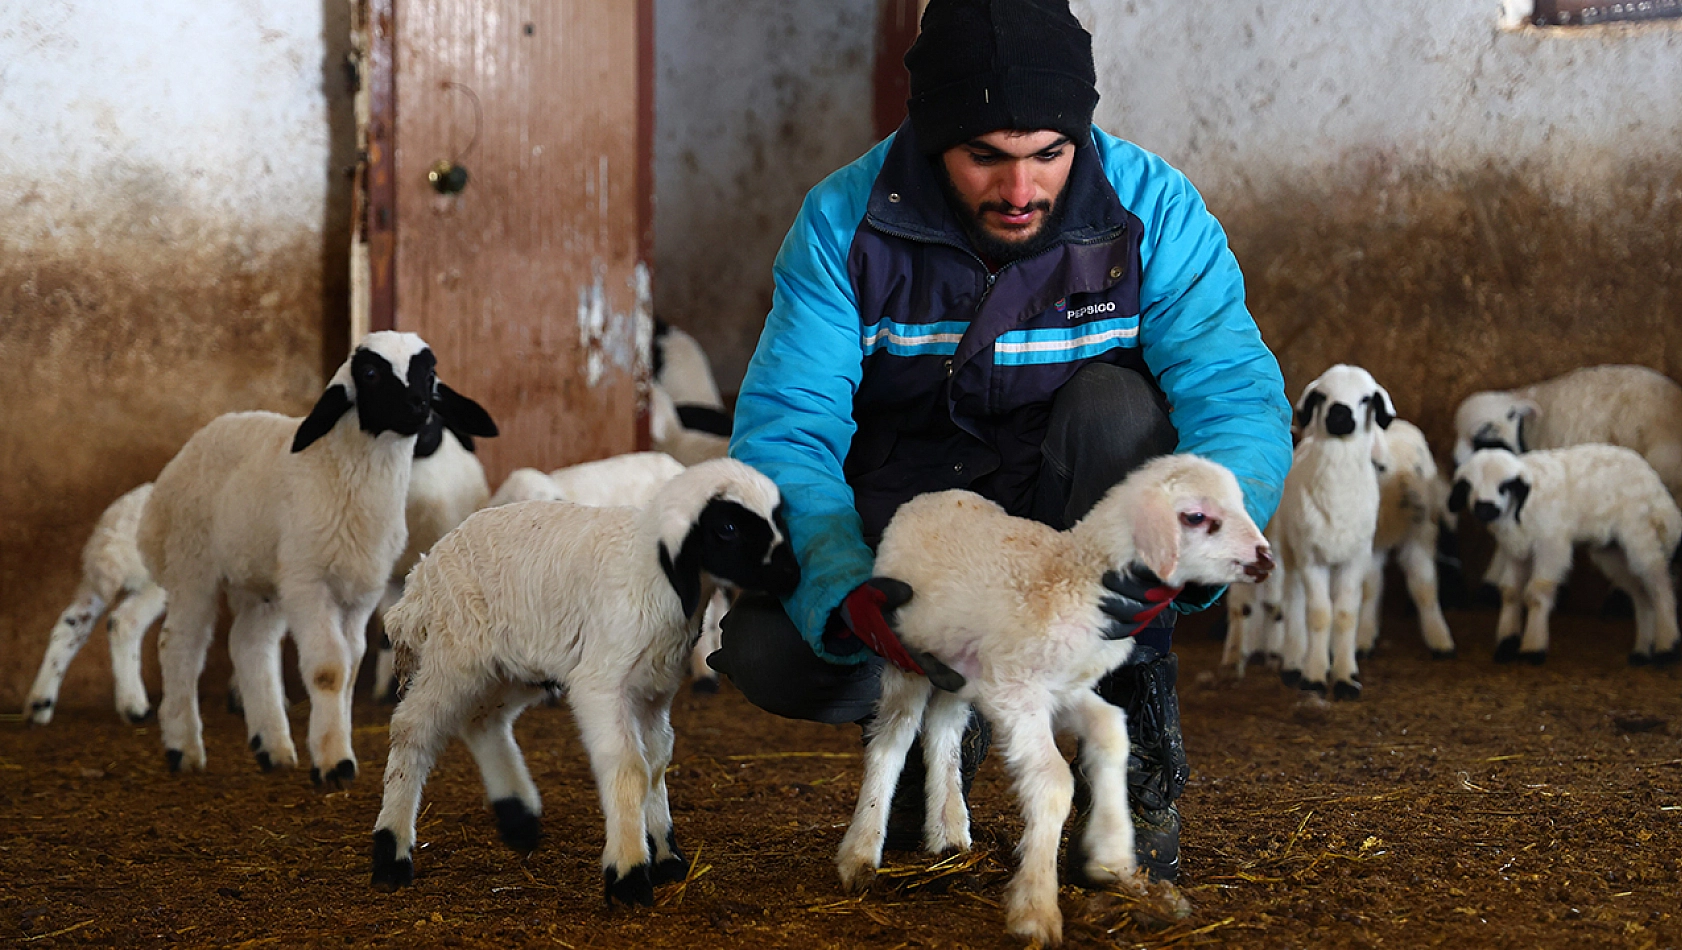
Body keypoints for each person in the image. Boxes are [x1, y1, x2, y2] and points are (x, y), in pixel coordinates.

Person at [708, 0, 1292, 884]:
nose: (1021, 190)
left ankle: (1132, 738)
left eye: (1049, 153)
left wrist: (1185, 550)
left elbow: (1236, 395)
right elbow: (789, 424)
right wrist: (842, 585)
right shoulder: (842, 224)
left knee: (1118, 410)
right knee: (774, 654)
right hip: (917, 515)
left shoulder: (1152, 211)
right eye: (985, 156)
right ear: (929, 133)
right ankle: (943, 717)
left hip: (1070, 527)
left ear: (1080, 133)